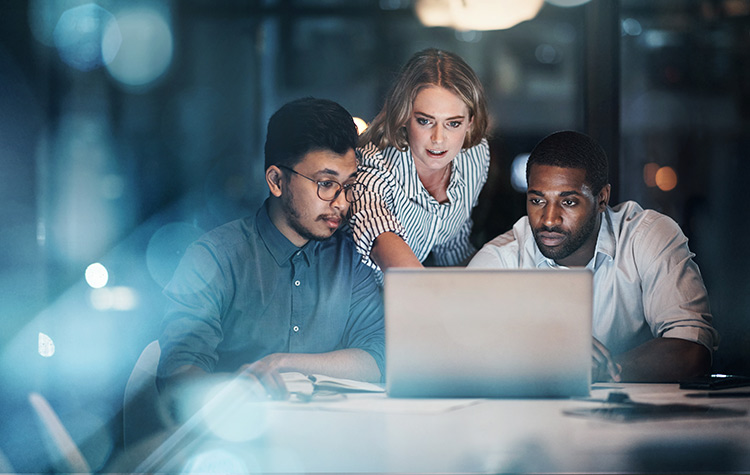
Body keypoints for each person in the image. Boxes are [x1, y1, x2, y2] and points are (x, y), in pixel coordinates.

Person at [156, 98, 385, 403]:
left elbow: (378, 356)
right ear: (277, 181)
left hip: (332, 437)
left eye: (348, 185)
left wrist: (284, 364)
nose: (342, 203)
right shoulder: (215, 258)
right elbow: (178, 372)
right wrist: (237, 389)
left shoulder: (352, 258)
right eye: (326, 184)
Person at [469, 130, 718, 383]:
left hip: (638, 420)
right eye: (537, 200)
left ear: (601, 199)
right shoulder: (499, 261)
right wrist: (539, 354)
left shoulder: (646, 237)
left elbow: (693, 351)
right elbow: (459, 357)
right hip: (534, 421)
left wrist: (596, 370)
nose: (549, 219)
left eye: (568, 202)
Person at [349, 48, 491, 282]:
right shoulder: (374, 164)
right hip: (359, 304)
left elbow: (452, 245)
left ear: (470, 123)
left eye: (453, 124)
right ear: (405, 116)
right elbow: (378, 235)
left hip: (416, 299)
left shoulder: (474, 156)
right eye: (425, 121)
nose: (438, 138)